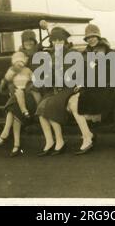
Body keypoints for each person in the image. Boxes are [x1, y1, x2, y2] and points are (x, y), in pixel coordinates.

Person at [67, 23, 115, 154]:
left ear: (98, 37)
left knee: (74, 104)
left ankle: (87, 137)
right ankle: (89, 132)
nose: (91, 39)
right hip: (91, 86)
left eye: (93, 36)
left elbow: (98, 71)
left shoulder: (103, 50)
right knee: (70, 102)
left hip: (103, 88)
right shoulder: (87, 52)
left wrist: (83, 83)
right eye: (88, 37)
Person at [0, 30, 41, 157]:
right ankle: (16, 144)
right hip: (20, 93)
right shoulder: (19, 57)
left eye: (31, 40)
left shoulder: (39, 55)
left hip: (34, 92)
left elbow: (38, 79)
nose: (29, 43)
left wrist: (28, 87)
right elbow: (11, 78)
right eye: (26, 40)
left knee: (13, 108)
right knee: (15, 107)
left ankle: (7, 136)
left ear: (35, 41)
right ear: (23, 43)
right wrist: (12, 87)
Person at [35, 27, 77, 156]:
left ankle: (60, 141)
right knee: (41, 111)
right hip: (55, 88)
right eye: (54, 40)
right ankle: (49, 141)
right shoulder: (52, 55)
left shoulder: (71, 53)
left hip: (68, 88)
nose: (57, 43)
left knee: (51, 108)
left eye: (60, 40)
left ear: (65, 41)